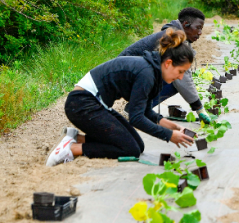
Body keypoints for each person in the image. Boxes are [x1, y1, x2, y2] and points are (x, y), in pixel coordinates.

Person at [47, 29, 195, 166]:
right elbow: (136, 118)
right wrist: (169, 135)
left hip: (95, 104)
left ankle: (77, 137)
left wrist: (173, 127)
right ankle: (71, 149)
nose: (181, 78)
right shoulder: (147, 73)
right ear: (168, 63)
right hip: (82, 105)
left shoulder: (153, 72)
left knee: (138, 145)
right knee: (129, 149)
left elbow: (146, 112)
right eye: (180, 71)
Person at [118, 7, 210, 123]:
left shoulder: (175, 34)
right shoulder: (173, 39)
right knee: (174, 79)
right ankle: (135, 109)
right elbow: (183, 78)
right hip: (124, 77)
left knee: (174, 76)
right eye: (198, 28)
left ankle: (138, 107)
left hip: (133, 76)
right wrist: (199, 108)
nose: (200, 33)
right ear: (186, 24)